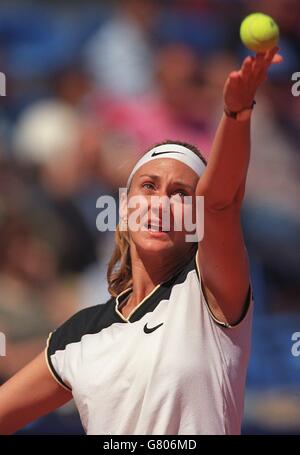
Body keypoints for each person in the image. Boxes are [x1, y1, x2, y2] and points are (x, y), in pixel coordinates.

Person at [0, 47, 282, 435]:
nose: (162, 203)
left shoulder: (211, 294)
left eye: (182, 194)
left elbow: (220, 203)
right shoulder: (78, 336)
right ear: (124, 208)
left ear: (197, 220)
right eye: (148, 187)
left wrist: (236, 113)